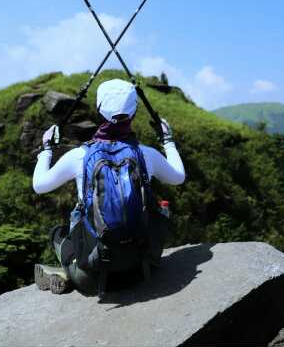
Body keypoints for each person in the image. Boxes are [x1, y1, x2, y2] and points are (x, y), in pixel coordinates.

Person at [32, 79, 185, 296]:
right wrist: (167, 140)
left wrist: (47, 149)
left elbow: (39, 185)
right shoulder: (146, 154)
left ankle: (69, 269)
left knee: (58, 233)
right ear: (133, 113)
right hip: (143, 268)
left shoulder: (79, 156)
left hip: (93, 278)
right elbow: (179, 177)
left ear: (99, 110)